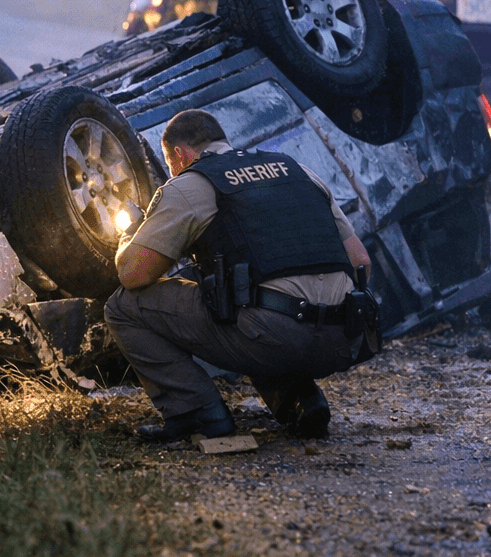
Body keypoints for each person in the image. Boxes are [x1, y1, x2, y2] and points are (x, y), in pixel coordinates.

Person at [105, 108, 374, 443]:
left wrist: (128, 234)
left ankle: (197, 416)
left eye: (171, 164)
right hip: (344, 338)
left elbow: (133, 275)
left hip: (276, 339)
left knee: (124, 305)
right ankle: (300, 401)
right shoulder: (298, 170)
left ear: (179, 154)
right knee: (244, 293)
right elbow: (360, 261)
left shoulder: (193, 183)